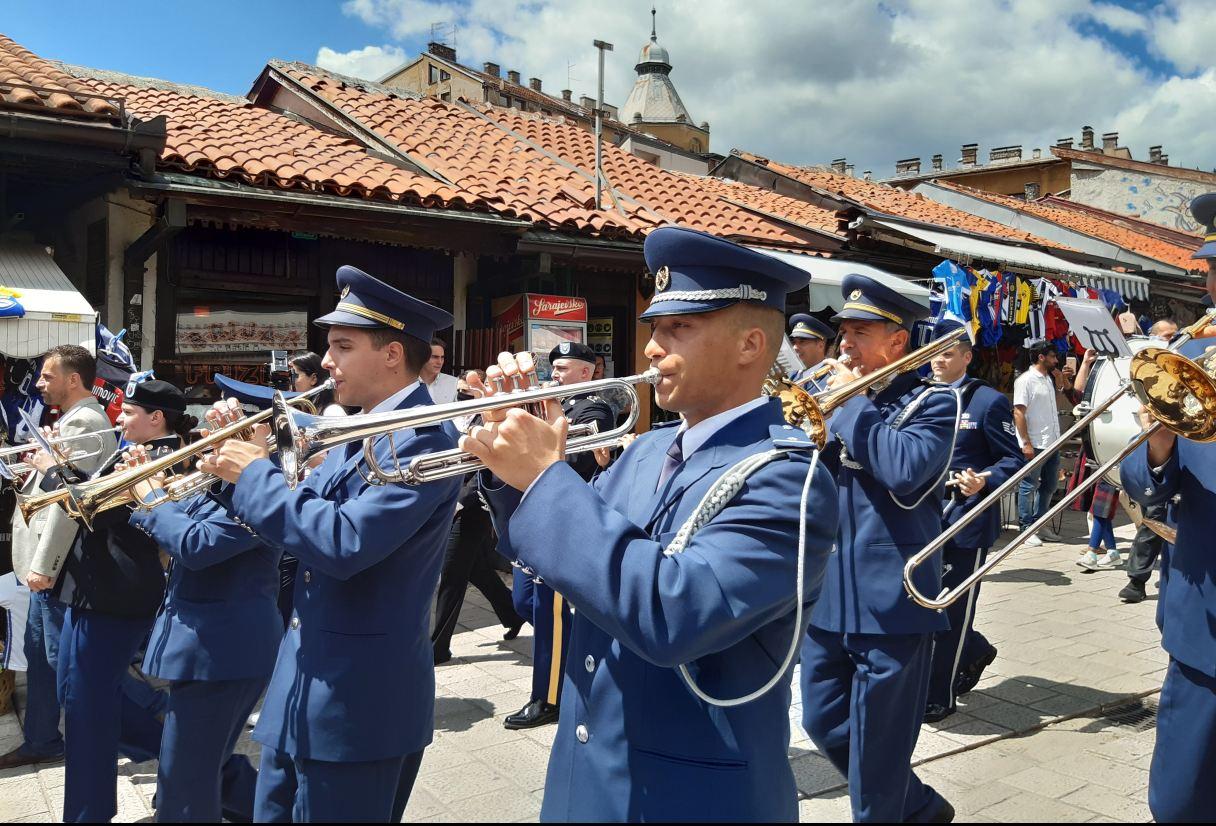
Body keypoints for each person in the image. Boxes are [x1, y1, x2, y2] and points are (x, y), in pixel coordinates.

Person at [465, 226, 837, 821]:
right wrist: (510, 473)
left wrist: (544, 478)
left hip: (689, 796)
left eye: (678, 329)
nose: (652, 349)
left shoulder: (789, 479)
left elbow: (672, 614)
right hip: (586, 782)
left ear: (748, 345)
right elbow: (552, 554)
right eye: (656, 327)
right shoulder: (643, 451)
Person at [200, 265, 462, 823]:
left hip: (358, 707)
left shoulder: (422, 441)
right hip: (302, 688)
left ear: (392, 353)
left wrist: (255, 478)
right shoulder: (360, 430)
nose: (326, 361)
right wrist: (236, 468)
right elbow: (298, 515)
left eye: (342, 346)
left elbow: (342, 543)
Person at [798, 274, 958, 823]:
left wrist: (851, 405)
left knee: (880, 754)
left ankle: (890, 807)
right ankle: (919, 807)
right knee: (822, 722)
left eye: (860, 332)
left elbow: (905, 473)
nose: (845, 344)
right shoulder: (833, 400)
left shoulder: (933, 402)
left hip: (894, 602)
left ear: (897, 340)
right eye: (844, 331)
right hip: (828, 596)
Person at [121, 426, 282, 821]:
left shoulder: (263, 493)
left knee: (184, 783)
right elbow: (177, 522)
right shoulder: (218, 486)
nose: (208, 439)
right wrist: (151, 483)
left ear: (253, 437)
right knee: (203, 766)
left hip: (223, 652)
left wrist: (152, 498)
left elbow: (196, 545)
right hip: (208, 649)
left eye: (223, 430)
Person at [53, 379, 193, 822]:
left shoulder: (166, 458)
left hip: (119, 593)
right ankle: (182, 757)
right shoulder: (132, 449)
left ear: (157, 419)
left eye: (130, 412)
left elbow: (106, 509)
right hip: (90, 589)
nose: (119, 418)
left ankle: (87, 813)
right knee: (77, 696)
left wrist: (60, 471)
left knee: (87, 708)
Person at [1118, 191, 1216, 822]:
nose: (1208, 282)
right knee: (1180, 803)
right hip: (1204, 624)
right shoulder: (1194, 360)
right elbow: (1145, 486)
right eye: (1211, 269)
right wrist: (1157, 440)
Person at [0, 345, 116, 772]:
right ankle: (42, 738)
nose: (40, 384)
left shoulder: (85, 422)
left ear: (73, 379)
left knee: (60, 662)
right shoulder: (69, 420)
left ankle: (140, 716)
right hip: (48, 566)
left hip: (56, 566)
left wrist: (43, 566)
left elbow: (71, 503)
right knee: (42, 657)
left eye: (48, 376)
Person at [501, 341, 616, 730]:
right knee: (525, 602)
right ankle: (575, 656)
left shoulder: (594, 408)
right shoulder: (554, 407)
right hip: (536, 517)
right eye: (556, 368)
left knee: (549, 612)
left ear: (587, 372)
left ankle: (549, 698)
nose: (557, 375)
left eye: (565, 369)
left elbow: (581, 463)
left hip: (565, 521)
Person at [924, 321, 1024, 723]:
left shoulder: (986, 401)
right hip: (923, 517)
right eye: (934, 352)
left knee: (952, 608)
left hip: (967, 518)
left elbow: (1013, 461)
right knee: (924, 605)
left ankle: (939, 694)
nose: (938, 360)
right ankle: (976, 647)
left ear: (966, 357)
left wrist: (984, 480)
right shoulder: (922, 396)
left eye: (948, 353)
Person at [1118, 318, 1178, 603]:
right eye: (1166, 336)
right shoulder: (1161, 365)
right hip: (1160, 453)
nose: (1172, 340)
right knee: (1153, 520)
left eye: (1173, 336)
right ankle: (1137, 579)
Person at [1012, 342, 1074, 545]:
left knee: (1050, 484)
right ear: (1041, 357)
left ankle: (1040, 523)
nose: (1056, 360)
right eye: (1053, 356)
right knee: (1029, 485)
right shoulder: (1025, 380)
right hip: (1035, 441)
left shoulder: (1049, 378)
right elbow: (1018, 412)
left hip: (1052, 442)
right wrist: (1025, 442)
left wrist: (1061, 377)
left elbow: (1068, 389)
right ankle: (1026, 529)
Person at [787, 313, 834, 390]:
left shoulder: (831, 379)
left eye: (802, 342)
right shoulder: (790, 374)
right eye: (794, 342)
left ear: (820, 345)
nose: (795, 347)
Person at [420, 336, 459, 404]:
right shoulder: (408, 383)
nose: (440, 362)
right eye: (435, 357)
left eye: (442, 357)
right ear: (422, 357)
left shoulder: (454, 383)